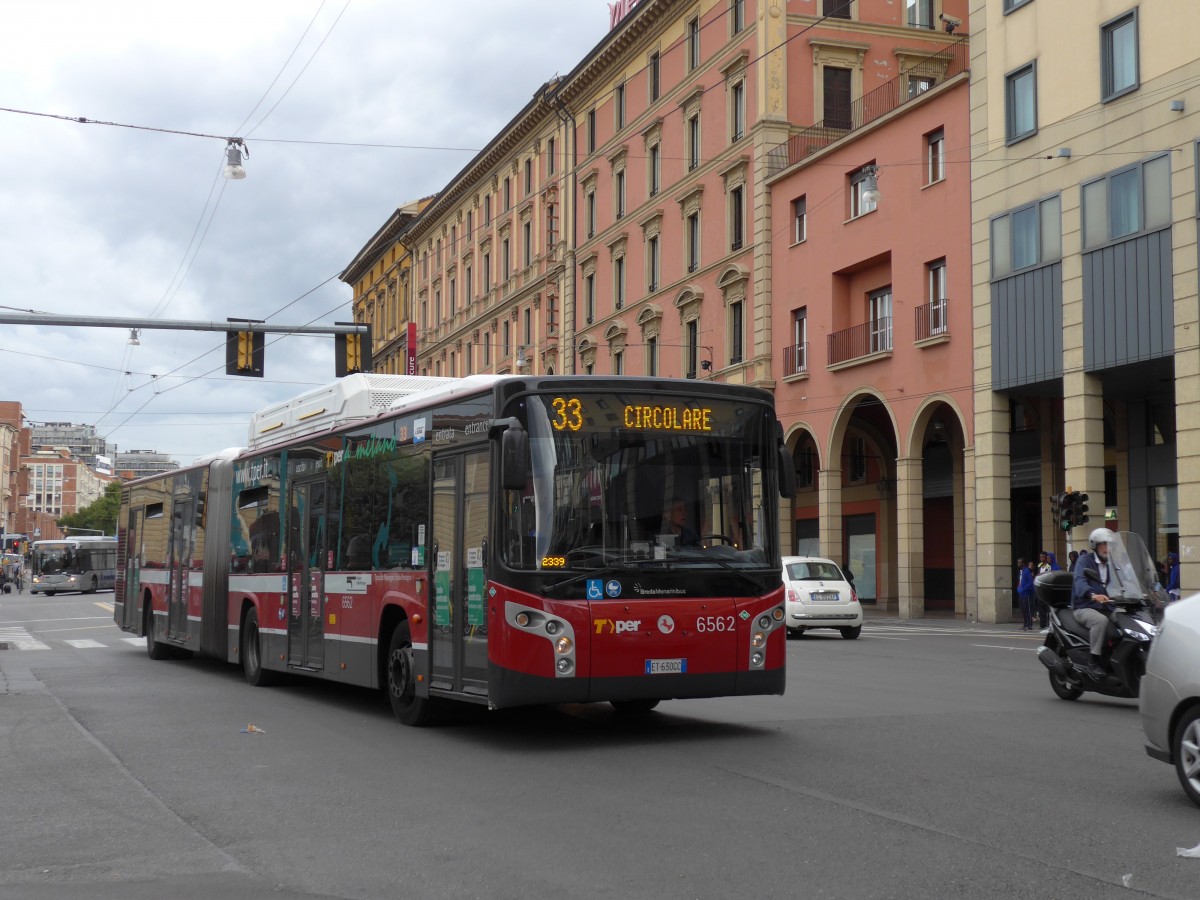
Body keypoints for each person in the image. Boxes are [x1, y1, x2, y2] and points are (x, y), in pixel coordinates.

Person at [1072, 527, 1117, 679]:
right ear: (1096, 545)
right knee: (1100, 621)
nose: (1108, 548)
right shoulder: (1084, 561)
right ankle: (1094, 661)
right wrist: (1092, 594)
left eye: (1110, 544)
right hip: (1085, 606)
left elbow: (1127, 579)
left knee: (1127, 620)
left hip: (1108, 606)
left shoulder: (1114, 564)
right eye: (1104, 544)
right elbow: (1079, 580)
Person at [1017, 558, 1035, 631]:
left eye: (1019, 562)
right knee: (1023, 609)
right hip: (1021, 593)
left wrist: (1024, 589)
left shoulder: (1027, 571)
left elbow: (1030, 582)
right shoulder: (1021, 571)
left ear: (1023, 563)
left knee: (1028, 609)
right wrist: (1019, 589)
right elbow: (1020, 581)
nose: (1018, 564)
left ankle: (1029, 625)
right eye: (1018, 562)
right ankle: (1025, 624)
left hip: (1027, 593)